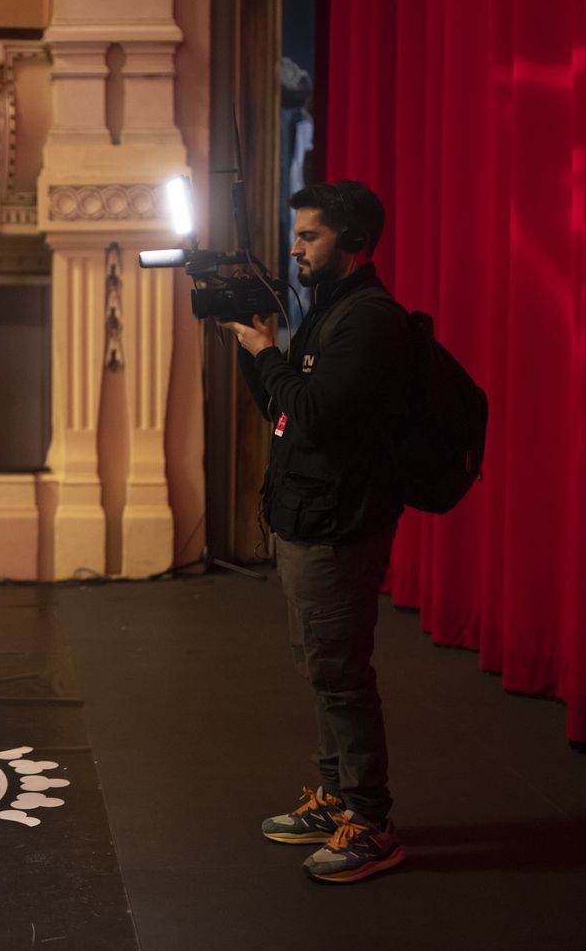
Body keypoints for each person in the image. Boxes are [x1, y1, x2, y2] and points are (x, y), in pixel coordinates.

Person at [227, 180, 413, 884]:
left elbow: (314, 415)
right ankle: (337, 796)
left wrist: (269, 350)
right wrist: (257, 350)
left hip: (340, 526)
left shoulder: (369, 319)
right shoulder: (329, 312)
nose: (296, 247)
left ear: (353, 243)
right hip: (308, 516)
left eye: (311, 237)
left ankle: (371, 823)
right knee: (320, 665)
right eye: (297, 234)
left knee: (340, 674)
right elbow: (282, 408)